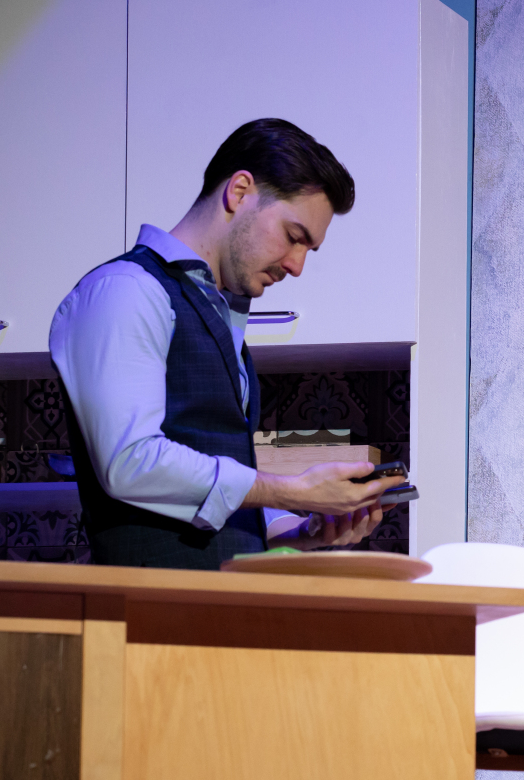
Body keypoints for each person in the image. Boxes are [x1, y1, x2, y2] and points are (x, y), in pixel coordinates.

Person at [51, 118, 407, 569]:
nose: (297, 266)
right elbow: (130, 463)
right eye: (293, 237)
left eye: (308, 249)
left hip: (212, 602)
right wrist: (292, 491)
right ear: (239, 192)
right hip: (145, 605)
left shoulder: (218, 313)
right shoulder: (125, 290)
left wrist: (301, 534)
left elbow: (208, 509)